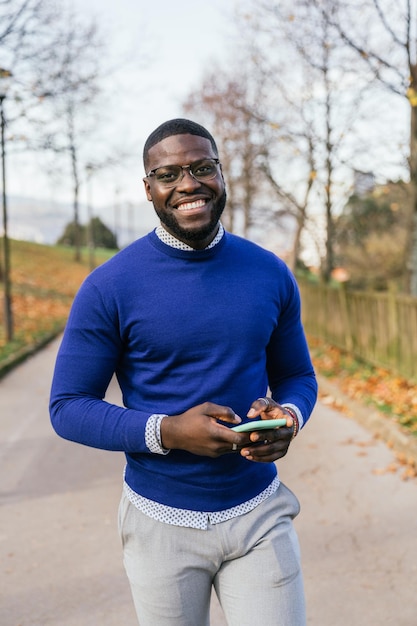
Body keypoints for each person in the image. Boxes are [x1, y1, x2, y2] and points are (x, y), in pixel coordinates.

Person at [50, 118, 317, 626]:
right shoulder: (109, 286)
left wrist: (287, 416)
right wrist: (169, 431)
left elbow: (298, 376)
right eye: (168, 174)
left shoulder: (270, 272)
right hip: (159, 522)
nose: (188, 184)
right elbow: (67, 408)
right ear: (148, 189)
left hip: (259, 511)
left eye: (202, 167)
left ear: (221, 174)